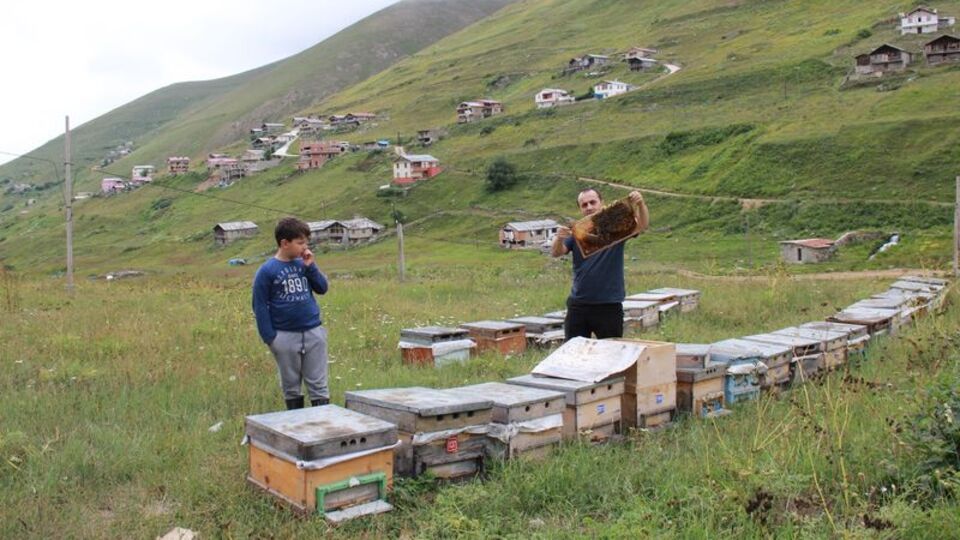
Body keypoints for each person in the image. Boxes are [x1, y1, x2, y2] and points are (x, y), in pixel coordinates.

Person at [252, 217, 330, 410]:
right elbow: (259, 305)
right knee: (291, 386)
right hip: (284, 336)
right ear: (284, 243)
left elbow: (322, 288)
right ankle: (297, 427)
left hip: (313, 332)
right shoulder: (267, 270)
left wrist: (311, 267)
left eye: (306, 242)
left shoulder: (304, 264)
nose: (305, 247)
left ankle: (322, 426)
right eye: (300, 242)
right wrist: (270, 338)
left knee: (318, 384)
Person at [551, 188, 648, 340]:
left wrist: (640, 205)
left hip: (609, 304)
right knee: (574, 354)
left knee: (611, 355)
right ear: (580, 209)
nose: (589, 207)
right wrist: (559, 238)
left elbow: (641, 225)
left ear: (601, 203)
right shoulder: (578, 232)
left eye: (592, 202)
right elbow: (556, 252)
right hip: (579, 304)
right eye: (584, 205)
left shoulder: (615, 227)